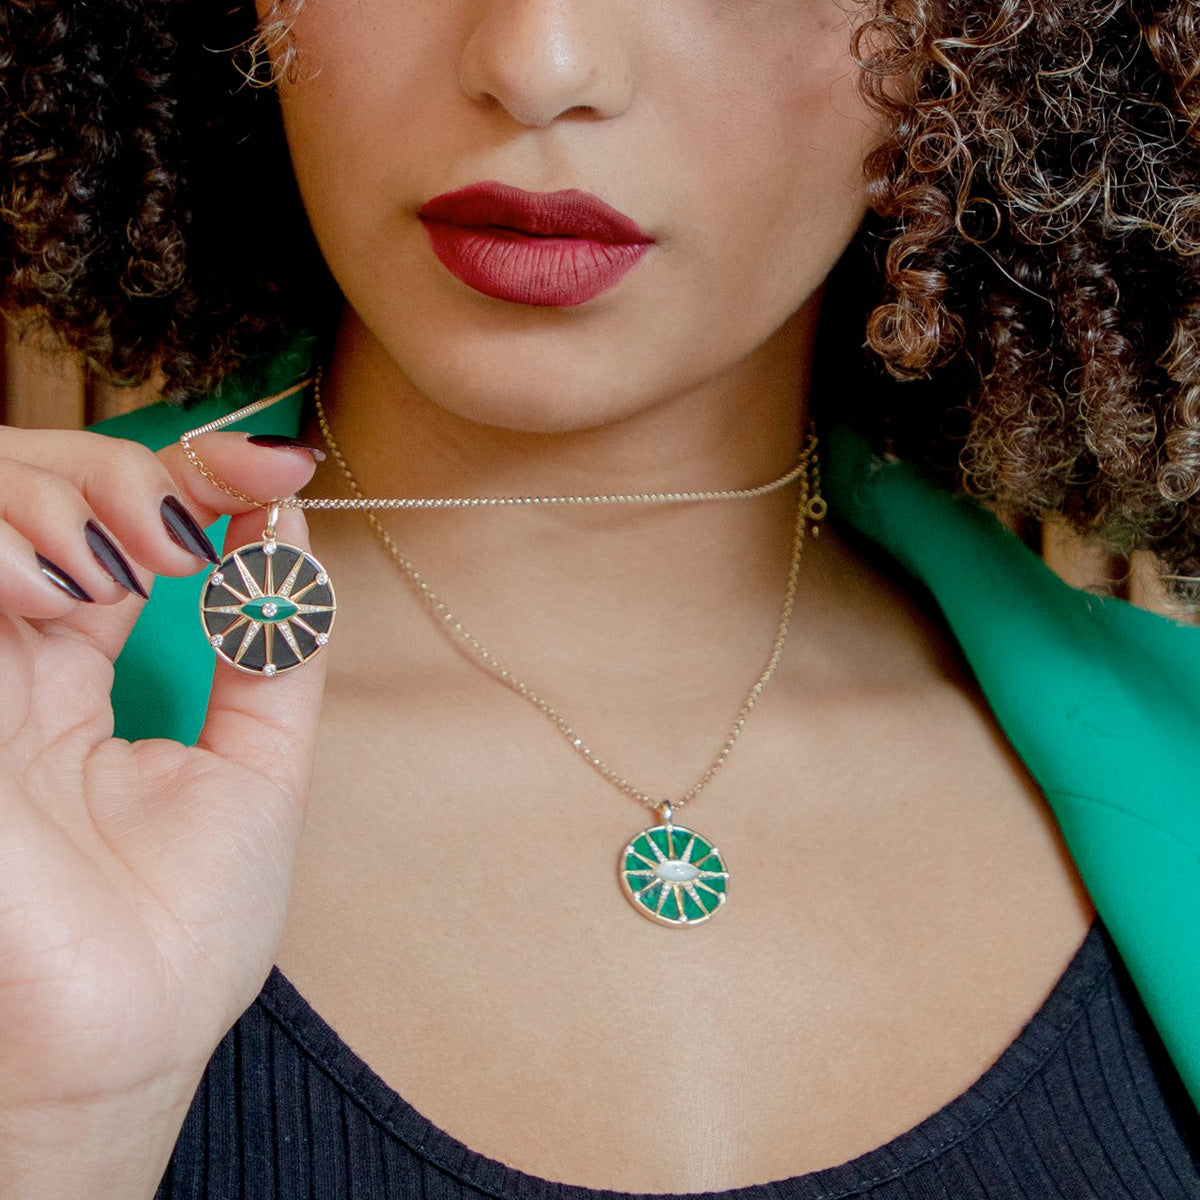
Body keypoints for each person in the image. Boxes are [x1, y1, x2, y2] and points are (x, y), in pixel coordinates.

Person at [0, 0, 1197, 1196]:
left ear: (986, 41)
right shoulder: (30, 719)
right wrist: (53, 1137)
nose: (539, 63)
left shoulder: (1172, 773)